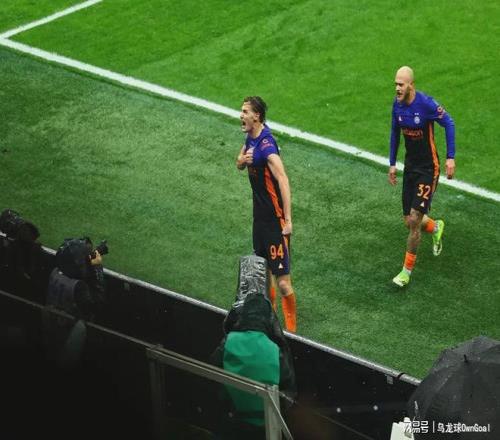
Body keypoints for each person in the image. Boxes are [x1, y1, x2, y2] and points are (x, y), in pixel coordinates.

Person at [388, 66, 456, 287]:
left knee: (415, 218)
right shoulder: (397, 106)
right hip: (411, 168)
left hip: (428, 169)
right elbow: (394, 133)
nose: (397, 88)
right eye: (396, 84)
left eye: (401, 84)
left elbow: (449, 122)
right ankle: (435, 227)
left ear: (411, 85)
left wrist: (450, 157)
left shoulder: (426, 104)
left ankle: (405, 272)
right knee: (408, 221)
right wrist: (392, 163)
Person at [236, 96, 297, 332]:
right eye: (241, 111)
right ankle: (271, 325)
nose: (241, 115)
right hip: (259, 222)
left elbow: (283, 180)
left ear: (257, 116)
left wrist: (288, 220)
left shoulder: (266, 146)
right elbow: (239, 163)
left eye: (245, 112)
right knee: (263, 277)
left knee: (283, 283)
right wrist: (242, 160)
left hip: (275, 222)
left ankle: (292, 331)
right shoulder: (250, 138)